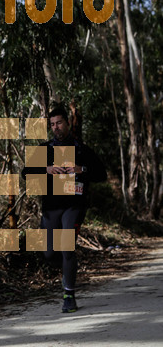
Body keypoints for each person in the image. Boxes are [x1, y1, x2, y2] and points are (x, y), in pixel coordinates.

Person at [35, 105, 107, 313]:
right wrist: (46, 169)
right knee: (49, 254)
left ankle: (69, 295)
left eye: (59, 123)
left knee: (67, 247)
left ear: (67, 123)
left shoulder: (81, 149)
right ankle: (69, 267)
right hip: (51, 207)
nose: (56, 127)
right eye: (52, 124)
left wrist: (81, 169)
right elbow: (25, 172)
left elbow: (101, 174)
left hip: (74, 205)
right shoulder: (44, 149)